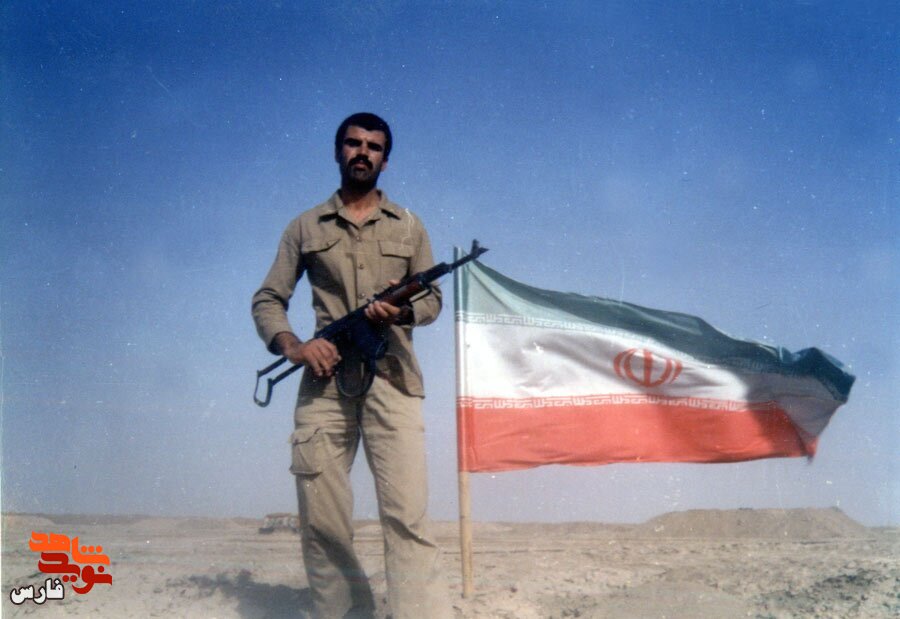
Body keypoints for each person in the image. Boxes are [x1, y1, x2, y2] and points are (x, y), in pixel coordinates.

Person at [251, 113, 452, 619]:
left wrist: (401, 312)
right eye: (354, 143)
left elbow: (432, 300)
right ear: (338, 151)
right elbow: (268, 299)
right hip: (325, 382)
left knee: (407, 517)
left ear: (386, 160)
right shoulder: (304, 227)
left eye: (374, 146)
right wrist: (295, 347)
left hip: (393, 379)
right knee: (322, 521)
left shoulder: (409, 225)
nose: (363, 152)